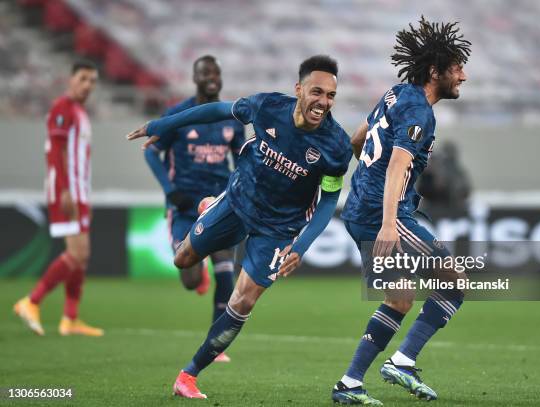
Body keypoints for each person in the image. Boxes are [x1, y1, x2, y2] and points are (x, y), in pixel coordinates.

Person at [127, 55, 352, 399]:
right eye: (316, 92)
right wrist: (163, 124)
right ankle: (208, 207)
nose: (323, 102)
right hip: (237, 201)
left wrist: (301, 246)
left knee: (243, 301)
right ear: (299, 89)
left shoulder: (336, 146)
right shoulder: (267, 106)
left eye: (331, 96)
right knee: (183, 260)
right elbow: (214, 111)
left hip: (278, 228)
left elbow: (326, 202)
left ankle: (188, 375)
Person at [332, 16, 472, 404]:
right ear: (435, 71)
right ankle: (403, 361)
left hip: (361, 207)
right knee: (455, 283)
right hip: (383, 215)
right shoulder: (418, 112)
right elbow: (397, 165)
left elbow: (358, 138)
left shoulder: (395, 94)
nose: (463, 76)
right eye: (458, 67)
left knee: (400, 299)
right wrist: (390, 223)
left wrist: (364, 178)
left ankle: (349, 384)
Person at [144, 56, 244, 363]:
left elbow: (241, 159)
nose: (212, 77)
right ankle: (197, 274)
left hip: (218, 202)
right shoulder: (179, 114)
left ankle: (215, 344)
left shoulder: (231, 118)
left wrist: (241, 189)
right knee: (188, 278)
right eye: (205, 73)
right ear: (195, 78)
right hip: (185, 205)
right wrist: (172, 192)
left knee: (226, 265)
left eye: (216, 72)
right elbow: (151, 152)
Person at [13, 60, 103, 337]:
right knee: (76, 253)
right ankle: (31, 301)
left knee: (82, 256)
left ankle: (70, 319)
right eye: (83, 79)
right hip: (66, 192)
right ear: (71, 79)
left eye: (92, 81)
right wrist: (65, 190)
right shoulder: (62, 108)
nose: (87, 85)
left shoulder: (79, 112)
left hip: (79, 192)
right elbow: (55, 152)